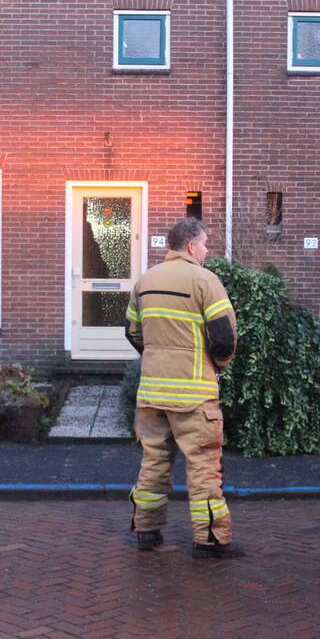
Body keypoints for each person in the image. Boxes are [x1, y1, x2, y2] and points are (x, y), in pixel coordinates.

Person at [124, 217, 243, 559]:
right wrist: (215, 368)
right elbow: (224, 338)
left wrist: (156, 359)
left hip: (152, 392)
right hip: (194, 394)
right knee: (204, 465)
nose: (207, 251)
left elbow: (132, 332)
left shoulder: (145, 282)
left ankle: (146, 531)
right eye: (205, 245)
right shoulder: (205, 281)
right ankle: (210, 540)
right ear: (191, 247)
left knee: (153, 461)